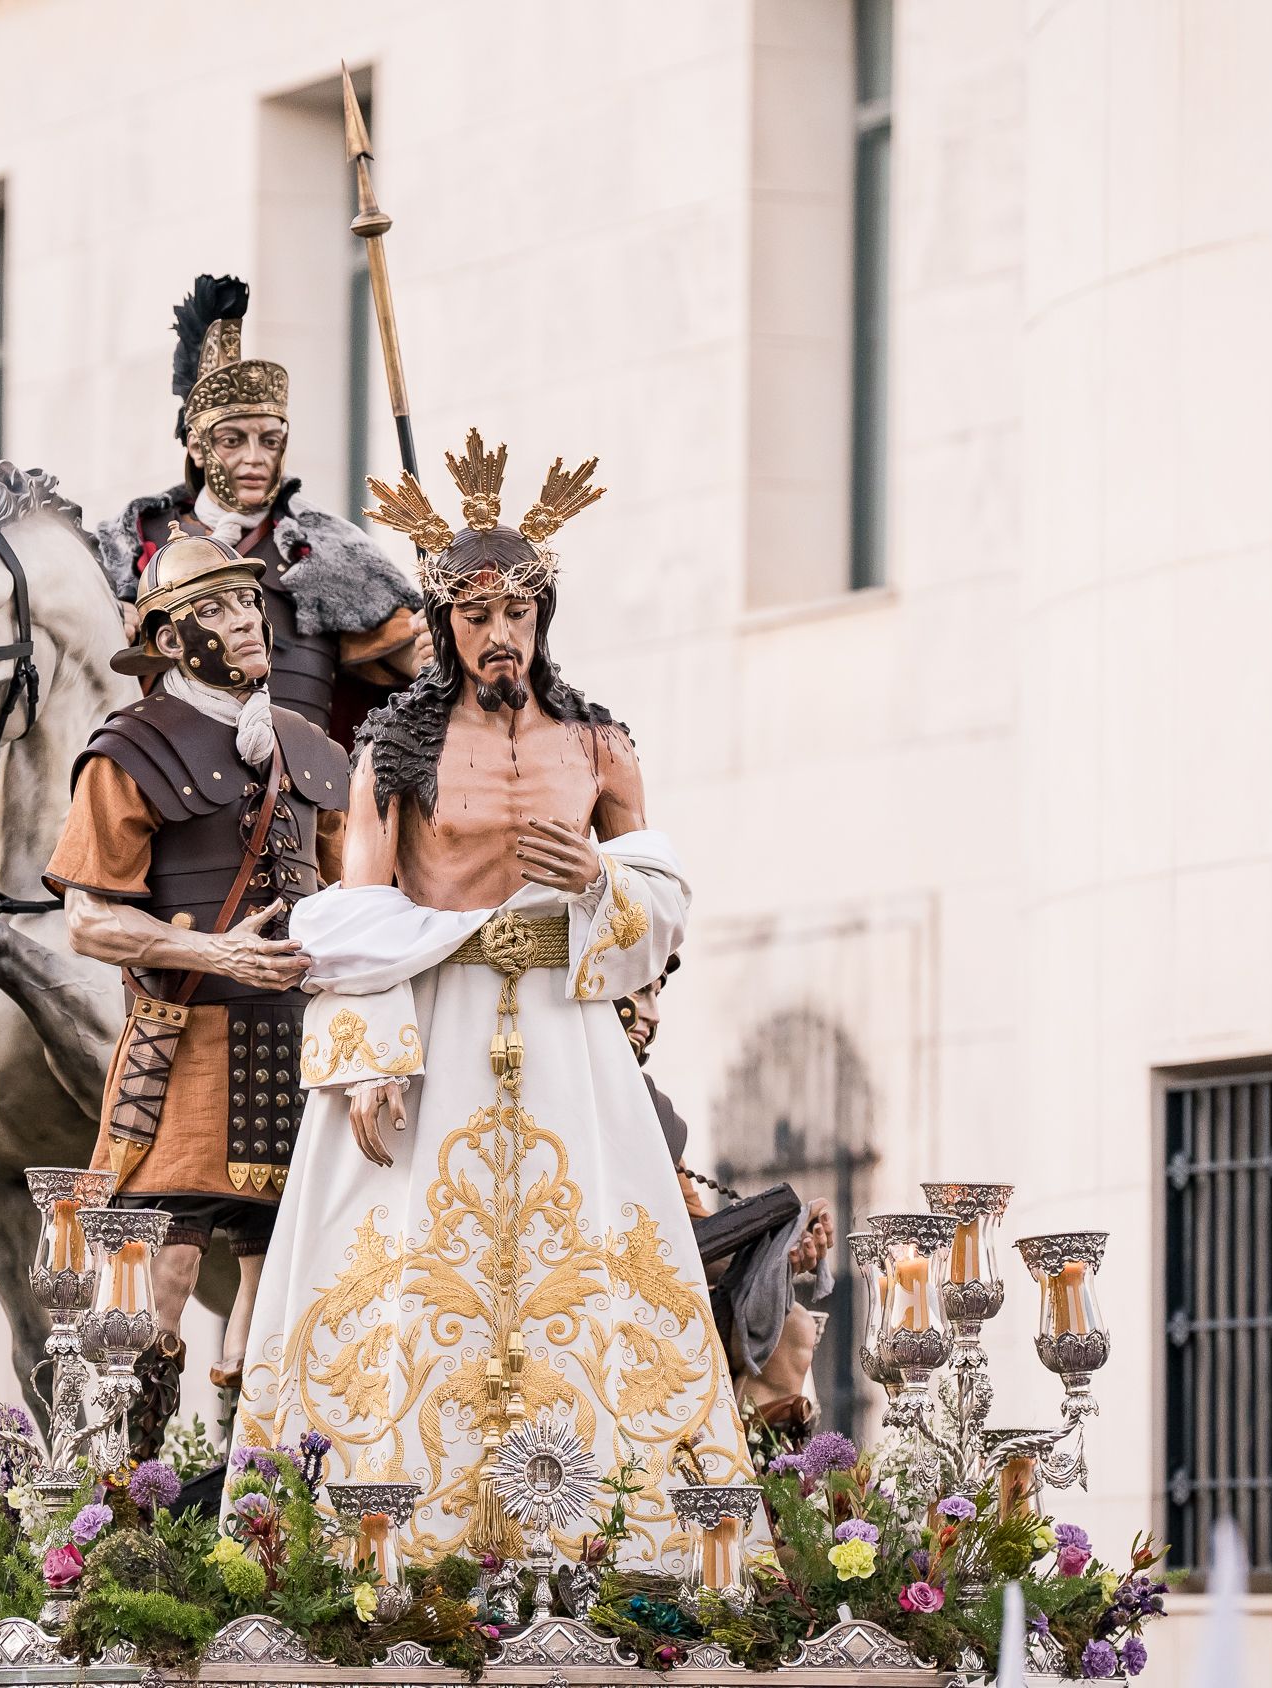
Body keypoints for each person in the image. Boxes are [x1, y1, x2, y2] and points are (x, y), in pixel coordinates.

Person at [236, 432, 745, 1561]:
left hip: (566, 1035)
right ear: (441, 621)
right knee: (407, 1278)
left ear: (544, 616)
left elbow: (664, 902)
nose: (500, 633)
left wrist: (600, 880)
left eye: (519, 611)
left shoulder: (601, 747)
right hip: (442, 1026)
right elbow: (356, 919)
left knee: (598, 1272)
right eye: (476, 614)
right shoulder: (394, 750)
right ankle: (386, 1545)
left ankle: (616, 1542)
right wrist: (367, 1056)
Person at [43, 524, 353, 1459]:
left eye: (249, 601)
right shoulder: (130, 750)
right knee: (152, 1286)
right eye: (215, 607)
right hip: (186, 1047)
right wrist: (219, 955)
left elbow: (351, 898)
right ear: (171, 641)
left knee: (277, 1286)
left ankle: (245, 1505)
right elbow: (90, 919)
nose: (247, 620)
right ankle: (120, 1511)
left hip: (299, 1047)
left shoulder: (307, 746)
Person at [93, 275, 427, 744]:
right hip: (171, 780)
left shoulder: (328, 547)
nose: (254, 458)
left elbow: (392, 648)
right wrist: (114, 615)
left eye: (269, 441)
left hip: (307, 788)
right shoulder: (132, 543)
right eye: (233, 440)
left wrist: (425, 654)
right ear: (196, 446)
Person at [620, 961, 835, 1456]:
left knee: (793, 1328)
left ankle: (764, 1504)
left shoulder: (653, 1114)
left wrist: (783, 1246)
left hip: (658, 1306)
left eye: (657, 995)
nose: (651, 1015)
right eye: (638, 993)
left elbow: (697, 1239)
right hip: (584, 1310)